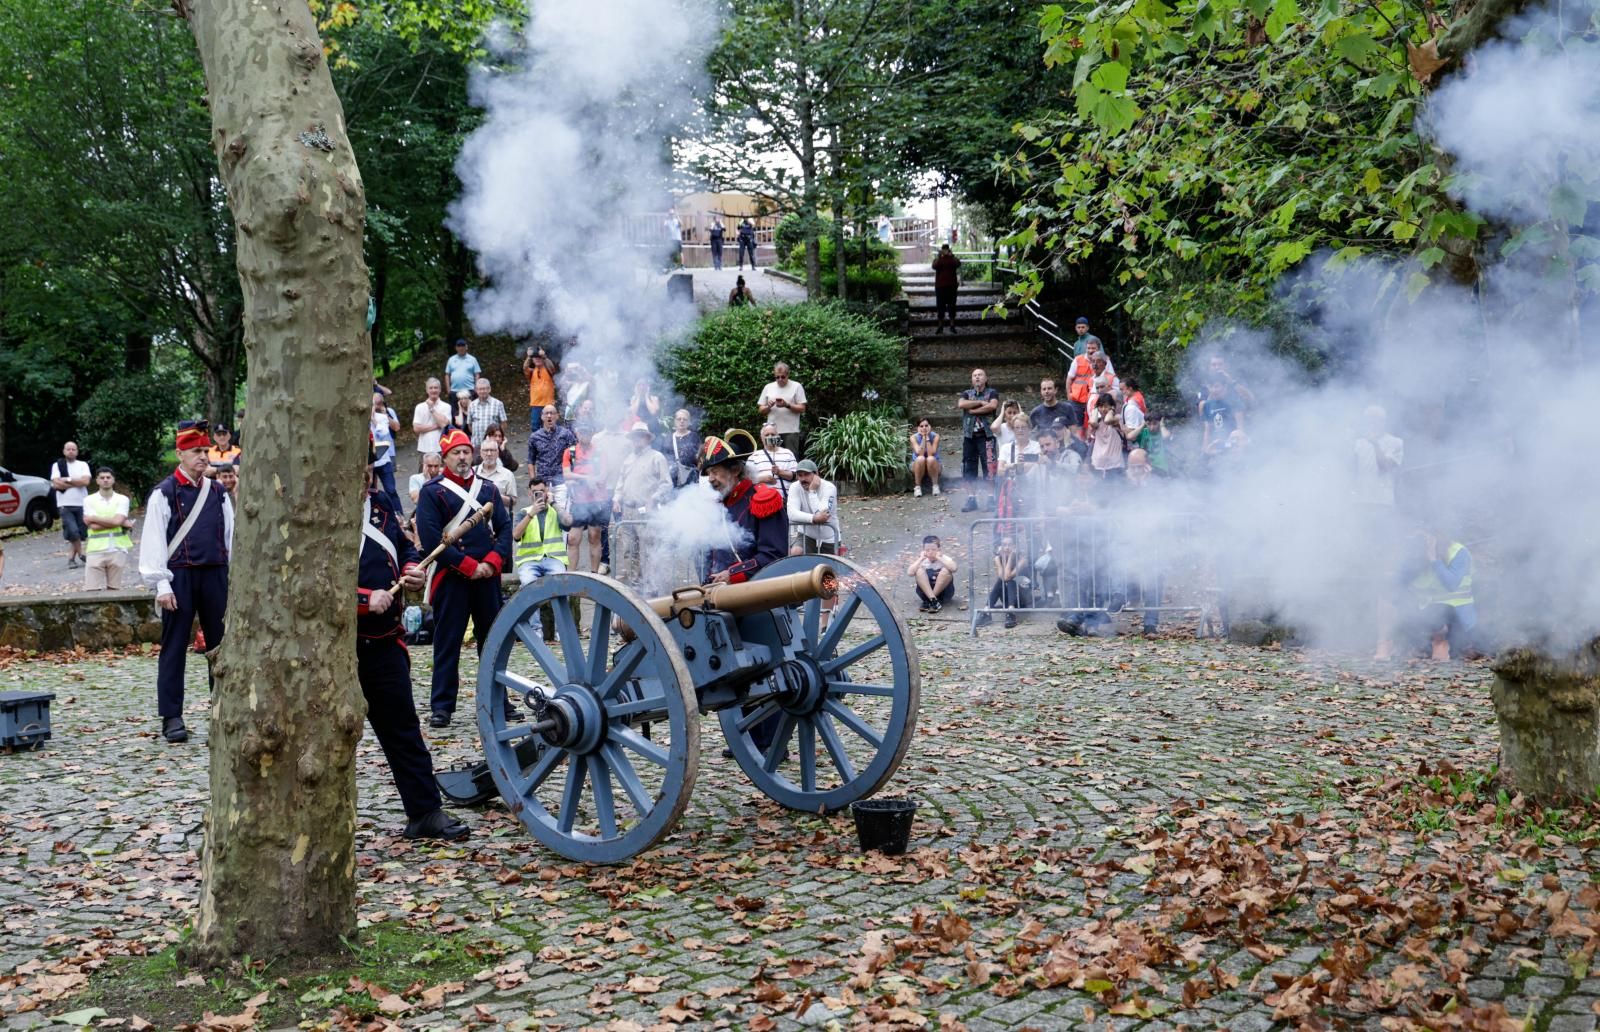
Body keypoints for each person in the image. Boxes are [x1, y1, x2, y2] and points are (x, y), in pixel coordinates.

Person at [355, 448, 469, 841]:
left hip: (384, 642)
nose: (368, 471)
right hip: (338, 649)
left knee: (404, 730)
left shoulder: (381, 502)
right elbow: (307, 583)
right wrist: (363, 599)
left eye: (370, 463)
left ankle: (423, 813)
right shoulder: (318, 512)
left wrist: (411, 569)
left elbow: (403, 548)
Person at [139, 422, 234, 743]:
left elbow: (229, 536)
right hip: (179, 575)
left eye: (206, 451)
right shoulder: (163, 493)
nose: (203, 457)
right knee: (175, 646)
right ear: (180, 454)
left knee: (222, 648)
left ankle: (224, 712)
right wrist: (161, 584)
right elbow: (153, 540)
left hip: (216, 574)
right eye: (197, 452)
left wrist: (232, 576)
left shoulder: (218, 491)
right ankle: (171, 717)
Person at [415, 429, 512, 728]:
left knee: (493, 640)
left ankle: (499, 701)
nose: (462, 457)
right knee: (447, 641)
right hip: (453, 577)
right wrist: (469, 566)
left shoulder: (488, 489)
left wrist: (493, 562)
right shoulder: (432, 492)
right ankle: (442, 706)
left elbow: (505, 529)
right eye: (456, 452)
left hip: (487, 576)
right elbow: (432, 540)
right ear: (445, 457)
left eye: (466, 451)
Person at [513, 476, 581, 641]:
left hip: (553, 559)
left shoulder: (554, 510)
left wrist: (554, 503)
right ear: (530, 493)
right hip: (529, 561)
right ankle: (536, 631)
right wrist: (531, 514)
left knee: (559, 586)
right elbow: (516, 535)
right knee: (529, 585)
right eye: (535, 492)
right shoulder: (523, 512)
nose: (539, 495)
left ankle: (561, 631)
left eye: (542, 491)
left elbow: (568, 522)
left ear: (547, 492)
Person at [1398, 528, 1476, 662]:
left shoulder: (1458, 552)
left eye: (1425, 534)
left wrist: (1434, 560)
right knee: (1388, 598)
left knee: (1440, 611)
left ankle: (1444, 643)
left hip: (1457, 616)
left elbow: (1452, 584)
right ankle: (1388, 644)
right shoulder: (1416, 555)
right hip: (1426, 615)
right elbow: (1397, 584)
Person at [611, 422, 673, 585]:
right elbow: (620, 482)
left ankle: (650, 585)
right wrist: (616, 498)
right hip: (627, 511)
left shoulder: (657, 457)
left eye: (640, 436)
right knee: (628, 550)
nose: (637, 439)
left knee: (647, 549)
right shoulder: (628, 459)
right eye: (634, 436)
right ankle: (634, 585)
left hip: (646, 511)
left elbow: (667, 483)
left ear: (647, 438)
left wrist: (654, 497)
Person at [562, 421, 609, 574]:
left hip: (596, 501)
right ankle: (571, 574)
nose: (585, 435)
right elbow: (566, 474)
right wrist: (586, 478)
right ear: (577, 433)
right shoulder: (570, 452)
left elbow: (602, 476)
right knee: (573, 539)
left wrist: (578, 479)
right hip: (578, 502)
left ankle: (594, 574)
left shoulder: (599, 452)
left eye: (588, 432)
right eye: (582, 432)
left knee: (594, 537)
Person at [83, 467, 133, 591]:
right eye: (102, 477)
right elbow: (93, 526)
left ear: (113, 480)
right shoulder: (89, 500)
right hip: (95, 549)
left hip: (118, 548)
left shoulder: (122, 499)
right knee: (91, 590)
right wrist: (120, 523)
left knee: (114, 590)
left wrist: (94, 517)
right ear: (97, 481)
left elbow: (116, 521)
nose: (105, 480)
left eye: (108, 477)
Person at [957, 368, 999, 513]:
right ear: (971, 379)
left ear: (985, 378)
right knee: (969, 468)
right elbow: (961, 404)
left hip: (986, 436)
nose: (977, 377)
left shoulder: (992, 392)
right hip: (970, 437)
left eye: (980, 375)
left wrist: (974, 410)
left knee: (990, 467)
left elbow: (992, 405)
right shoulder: (966, 393)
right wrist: (981, 403)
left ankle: (991, 498)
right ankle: (971, 498)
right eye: (974, 375)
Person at [50, 441, 92, 568]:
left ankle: (71, 559)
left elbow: (86, 481)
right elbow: (56, 484)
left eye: (73, 449)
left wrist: (67, 480)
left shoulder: (83, 465)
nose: (71, 451)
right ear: (64, 451)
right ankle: (82, 554)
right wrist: (76, 482)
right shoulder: (57, 465)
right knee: (73, 531)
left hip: (82, 503)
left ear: (77, 451)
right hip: (64, 504)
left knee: (81, 533)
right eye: (68, 449)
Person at [975, 536, 1030, 629]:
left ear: (1015, 547)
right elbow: (1003, 577)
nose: (1007, 548)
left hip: (1022, 598)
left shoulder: (1022, 560)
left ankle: (1009, 612)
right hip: (1007, 598)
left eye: (1010, 545)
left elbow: (1008, 576)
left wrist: (1011, 557)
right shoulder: (998, 559)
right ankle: (988, 611)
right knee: (1002, 580)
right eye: (1004, 545)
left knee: (1011, 579)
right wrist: (1004, 559)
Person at [787, 459, 840, 556]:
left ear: (816, 475)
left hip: (828, 537)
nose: (803, 479)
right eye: (800, 475)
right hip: (806, 534)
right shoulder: (794, 487)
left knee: (829, 568)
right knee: (795, 553)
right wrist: (814, 519)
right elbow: (792, 514)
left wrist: (812, 492)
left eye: (806, 474)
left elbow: (822, 514)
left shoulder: (829, 487)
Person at [528, 404, 578, 501]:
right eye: (547, 413)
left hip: (561, 482)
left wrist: (572, 476)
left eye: (552, 413)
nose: (549, 416)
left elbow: (574, 456)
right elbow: (531, 461)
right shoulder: (535, 437)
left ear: (557, 416)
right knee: (541, 511)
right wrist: (533, 482)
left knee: (561, 512)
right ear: (542, 416)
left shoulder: (566, 434)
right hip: (542, 483)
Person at [757, 363, 807, 456]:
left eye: (783, 377)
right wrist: (768, 406)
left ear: (788, 375)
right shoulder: (768, 387)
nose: (780, 379)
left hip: (791, 431)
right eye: (777, 377)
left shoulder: (796, 386)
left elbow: (802, 408)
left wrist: (787, 405)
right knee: (772, 457)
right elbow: (760, 410)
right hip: (771, 432)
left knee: (791, 458)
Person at [369, 391, 403, 514]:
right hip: (368, 463)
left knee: (391, 490)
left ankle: (399, 514)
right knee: (370, 492)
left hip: (384, 460)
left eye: (371, 406)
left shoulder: (382, 418)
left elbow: (384, 434)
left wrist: (374, 421)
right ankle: (375, 516)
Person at [411, 378, 452, 474]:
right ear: (427, 390)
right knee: (423, 476)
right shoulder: (420, 407)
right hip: (424, 448)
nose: (433, 390)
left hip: (441, 448)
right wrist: (435, 426)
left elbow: (445, 425)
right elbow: (416, 428)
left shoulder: (446, 407)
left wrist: (432, 409)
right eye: (431, 388)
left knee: (443, 475)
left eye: (436, 388)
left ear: (440, 390)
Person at [908, 535, 956, 612]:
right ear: (923, 551)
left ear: (939, 549)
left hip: (944, 594)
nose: (930, 552)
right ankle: (934, 601)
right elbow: (910, 573)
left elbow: (954, 568)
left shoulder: (944, 558)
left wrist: (939, 558)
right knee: (919, 571)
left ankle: (931, 600)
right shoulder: (922, 560)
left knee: (946, 571)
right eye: (927, 550)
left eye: (933, 549)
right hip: (925, 593)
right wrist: (921, 558)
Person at [747, 423, 798, 496]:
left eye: (773, 434)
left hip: (786, 500)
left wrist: (780, 472)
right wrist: (761, 479)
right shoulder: (754, 456)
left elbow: (797, 476)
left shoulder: (788, 453)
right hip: (763, 501)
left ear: (778, 437)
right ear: (761, 438)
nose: (770, 437)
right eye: (767, 435)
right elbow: (745, 481)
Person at [521, 344, 560, 429]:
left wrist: (544, 356)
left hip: (548, 404)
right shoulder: (531, 372)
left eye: (539, 357)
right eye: (536, 358)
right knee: (535, 427)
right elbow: (525, 367)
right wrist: (529, 356)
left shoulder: (548, 370)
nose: (538, 359)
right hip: (536, 405)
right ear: (533, 360)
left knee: (551, 427)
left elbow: (552, 368)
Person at [466, 377, 507, 453]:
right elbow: (469, 425)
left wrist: (498, 438)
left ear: (489, 389)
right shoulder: (471, 405)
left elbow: (503, 424)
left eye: (485, 389)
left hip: (493, 445)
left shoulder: (498, 404)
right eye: (480, 389)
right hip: (476, 445)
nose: (482, 391)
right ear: (476, 390)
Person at [1088, 393, 1126, 475]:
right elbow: (1093, 422)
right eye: (1100, 406)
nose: (1103, 409)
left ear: (1112, 406)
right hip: (1098, 465)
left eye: (1106, 406)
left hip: (1114, 465)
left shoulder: (1117, 419)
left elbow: (1108, 421)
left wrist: (1112, 410)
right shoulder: (1097, 421)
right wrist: (1095, 409)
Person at [475, 437, 517, 508]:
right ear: (481, 453)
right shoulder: (473, 472)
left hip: (499, 517)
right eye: (486, 450)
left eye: (492, 450)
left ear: (497, 453)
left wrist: (496, 495)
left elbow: (513, 501)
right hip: (477, 517)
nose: (489, 454)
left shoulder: (507, 474)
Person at [667, 409, 701, 489]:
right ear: (675, 421)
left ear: (689, 422)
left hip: (692, 478)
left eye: (685, 419)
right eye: (679, 419)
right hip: (674, 479)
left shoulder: (694, 436)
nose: (682, 421)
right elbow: (666, 458)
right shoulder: (668, 438)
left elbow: (700, 458)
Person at [932, 244, 961, 334]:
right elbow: (934, 266)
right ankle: (940, 326)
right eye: (943, 249)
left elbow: (958, 263)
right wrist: (939, 256)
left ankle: (952, 325)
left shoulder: (952, 258)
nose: (945, 251)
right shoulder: (938, 259)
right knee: (940, 306)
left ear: (949, 250)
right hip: (940, 286)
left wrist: (951, 255)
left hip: (951, 286)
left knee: (952, 306)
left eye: (946, 249)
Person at [910, 418, 941, 497]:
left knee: (930, 458)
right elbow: (920, 453)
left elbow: (931, 453)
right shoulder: (913, 437)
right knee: (921, 458)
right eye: (921, 426)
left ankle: (935, 486)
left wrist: (927, 437)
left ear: (930, 426)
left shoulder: (936, 436)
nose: (924, 428)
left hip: (934, 465)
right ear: (918, 428)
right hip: (918, 465)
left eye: (926, 425)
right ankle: (917, 487)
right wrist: (923, 438)